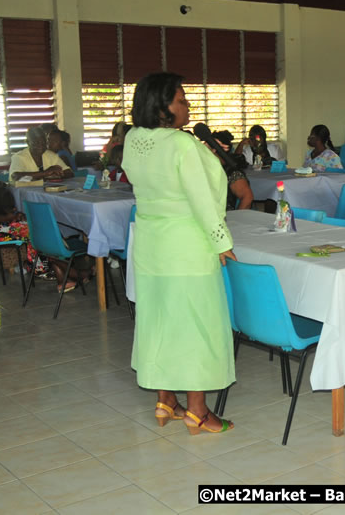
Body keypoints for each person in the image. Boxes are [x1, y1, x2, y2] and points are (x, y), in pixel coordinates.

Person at [122, 72, 236, 435]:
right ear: (162, 107)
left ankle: (165, 399)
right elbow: (203, 199)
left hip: (152, 244)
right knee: (195, 326)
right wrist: (222, 242)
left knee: (159, 322)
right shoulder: (182, 145)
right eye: (182, 100)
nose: (187, 106)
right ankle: (198, 411)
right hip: (187, 246)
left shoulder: (133, 139)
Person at [10, 127, 74, 181]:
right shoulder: (19, 157)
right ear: (27, 142)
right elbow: (15, 176)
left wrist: (57, 175)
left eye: (43, 142)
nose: (41, 146)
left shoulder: (51, 155)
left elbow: (69, 173)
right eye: (36, 143)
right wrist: (46, 173)